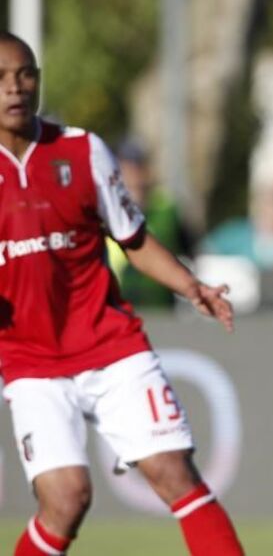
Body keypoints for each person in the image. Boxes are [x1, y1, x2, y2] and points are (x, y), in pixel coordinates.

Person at [0, 31, 244, 555]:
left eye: (24, 75)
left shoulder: (81, 151)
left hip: (110, 345)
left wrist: (191, 285)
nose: (15, 88)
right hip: (31, 361)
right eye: (1, 79)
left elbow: (132, 238)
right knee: (66, 499)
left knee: (173, 472)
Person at [107, 140, 193, 308]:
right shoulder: (106, 208)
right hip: (119, 308)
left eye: (139, 167)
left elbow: (189, 249)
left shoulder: (166, 208)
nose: (134, 174)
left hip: (162, 308)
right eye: (128, 167)